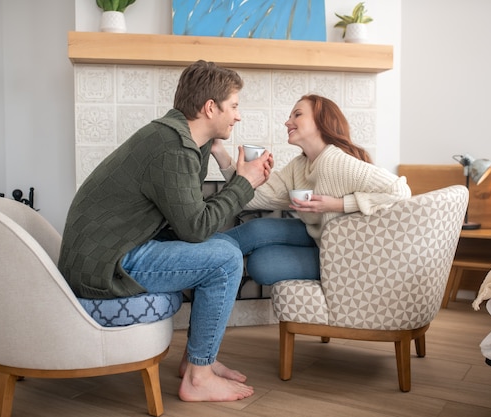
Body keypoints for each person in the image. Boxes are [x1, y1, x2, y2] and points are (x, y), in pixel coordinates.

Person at [58, 60, 273, 402]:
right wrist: (244, 183)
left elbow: (189, 219)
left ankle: (197, 360)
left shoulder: (174, 137)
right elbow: (196, 227)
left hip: (113, 251)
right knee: (226, 258)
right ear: (210, 107)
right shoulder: (172, 148)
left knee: (222, 244)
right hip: (106, 265)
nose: (238, 116)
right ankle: (198, 378)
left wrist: (217, 150)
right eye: (234, 106)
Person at [210, 94, 411, 285]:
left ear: (321, 121)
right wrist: (221, 152)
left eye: (297, 114)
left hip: (345, 256)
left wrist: (337, 204)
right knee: (256, 229)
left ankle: (199, 253)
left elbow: (400, 190)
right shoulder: (300, 165)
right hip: (320, 237)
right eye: (289, 117)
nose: (287, 122)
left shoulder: (336, 161)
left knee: (262, 264)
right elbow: (256, 197)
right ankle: (199, 253)